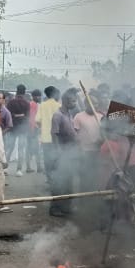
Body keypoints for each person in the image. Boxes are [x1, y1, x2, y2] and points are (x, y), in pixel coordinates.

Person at [49, 89, 80, 218]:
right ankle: (55, 208)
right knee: (59, 182)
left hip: (69, 152)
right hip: (61, 152)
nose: (75, 103)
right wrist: (58, 152)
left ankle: (66, 207)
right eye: (73, 101)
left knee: (68, 181)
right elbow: (54, 134)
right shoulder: (58, 115)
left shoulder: (68, 114)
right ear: (66, 101)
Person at [37, 86, 61, 181]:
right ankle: (56, 178)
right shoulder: (59, 106)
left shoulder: (42, 105)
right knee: (57, 158)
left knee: (47, 159)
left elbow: (38, 120)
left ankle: (49, 178)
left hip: (45, 137)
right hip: (57, 138)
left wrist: (43, 128)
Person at [7, 84, 32, 175]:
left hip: (12, 128)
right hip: (23, 129)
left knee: (10, 148)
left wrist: (15, 116)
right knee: (21, 149)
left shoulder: (11, 102)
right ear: (24, 92)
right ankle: (19, 170)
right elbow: (28, 117)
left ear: (17, 91)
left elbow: (8, 115)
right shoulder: (26, 103)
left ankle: (5, 169)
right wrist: (22, 115)